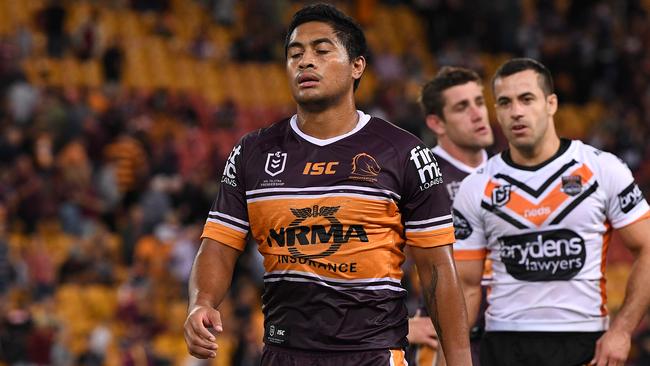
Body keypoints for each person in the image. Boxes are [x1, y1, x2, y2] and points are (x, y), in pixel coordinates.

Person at [183, 3, 472, 366]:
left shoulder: (403, 152)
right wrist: (202, 302)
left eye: (321, 51)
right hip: (283, 354)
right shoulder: (252, 152)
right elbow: (219, 245)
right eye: (295, 54)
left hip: (373, 354)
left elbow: (437, 269)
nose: (305, 62)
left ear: (357, 66)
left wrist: (460, 360)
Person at [452, 57, 650, 366]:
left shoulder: (602, 169)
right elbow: (465, 287)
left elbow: (648, 248)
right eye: (504, 103)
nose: (516, 111)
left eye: (526, 99)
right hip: (504, 344)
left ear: (551, 103)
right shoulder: (475, 187)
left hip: (585, 343)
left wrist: (623, 330)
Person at [407, 66, 494, 366]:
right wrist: (399, 324)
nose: (477, 113)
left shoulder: (507, 173)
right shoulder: (419, 176)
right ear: (436, 123)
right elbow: (372, 260)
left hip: (506, 337)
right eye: (462, 107)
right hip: (446, 342)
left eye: (479, 102)